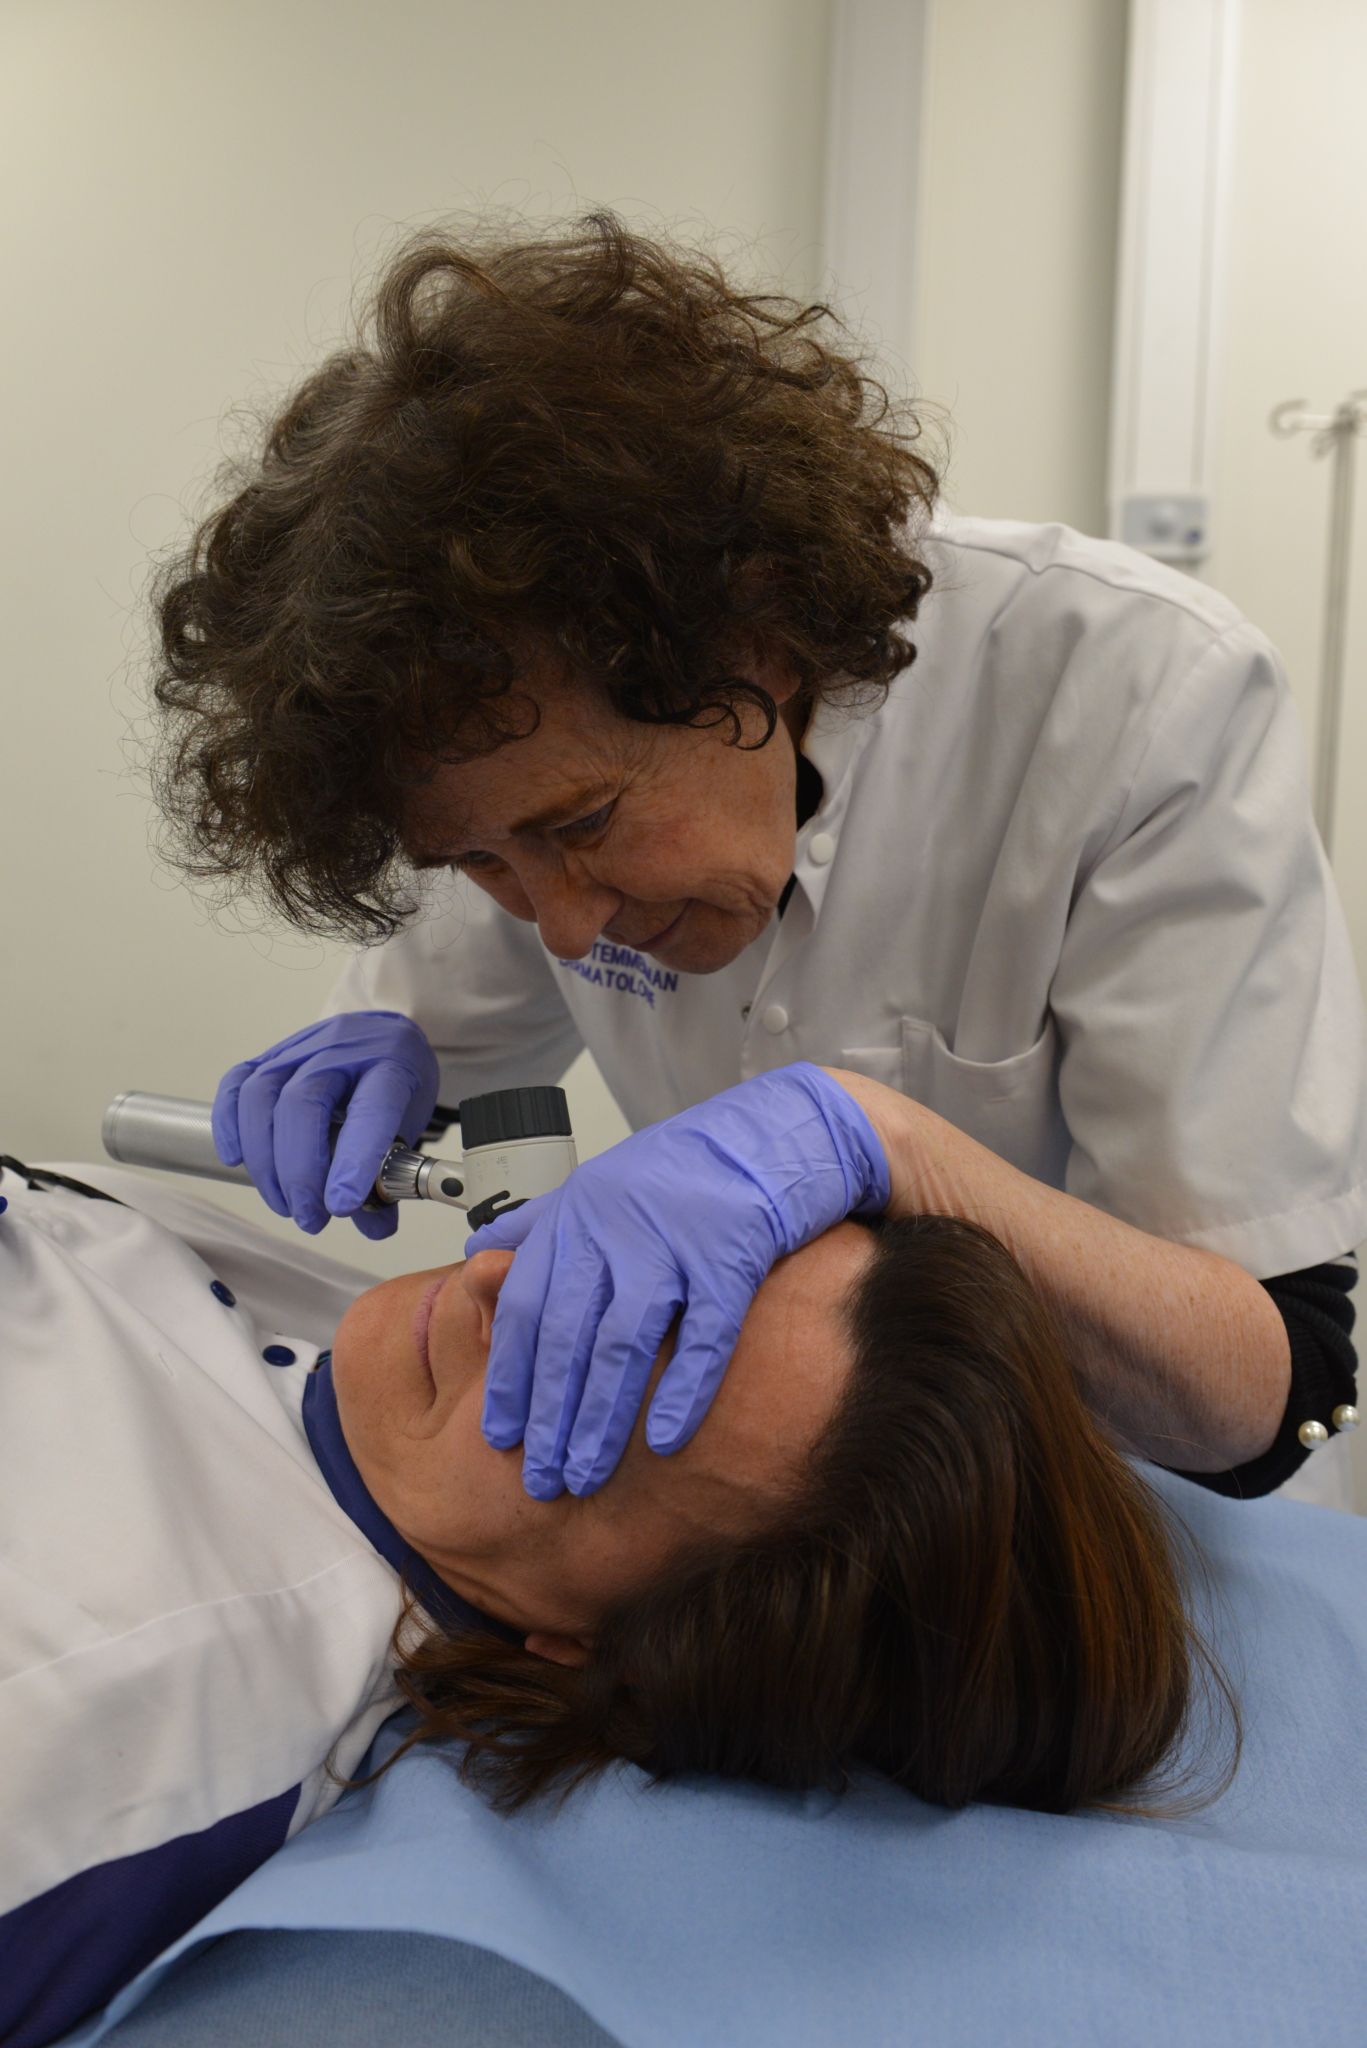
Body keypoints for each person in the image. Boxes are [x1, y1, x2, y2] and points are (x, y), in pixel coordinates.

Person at [146, 210, 1366, 1512]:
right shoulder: (513, 766)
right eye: (477, 863)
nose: (559, 928)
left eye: (582, 825)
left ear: (759, 635)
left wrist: (887, 1146)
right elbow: (447, 1057)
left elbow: (1265, 1396)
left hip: (1121, 1526)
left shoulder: (1131, 694)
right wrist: (380, 1066)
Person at [1, 1096, 1235, 2048]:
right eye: (628, 1275)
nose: (495, 1277)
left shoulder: (97, 1680)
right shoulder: (384, 1406)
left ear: (607, 1644)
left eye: (593, 1387)